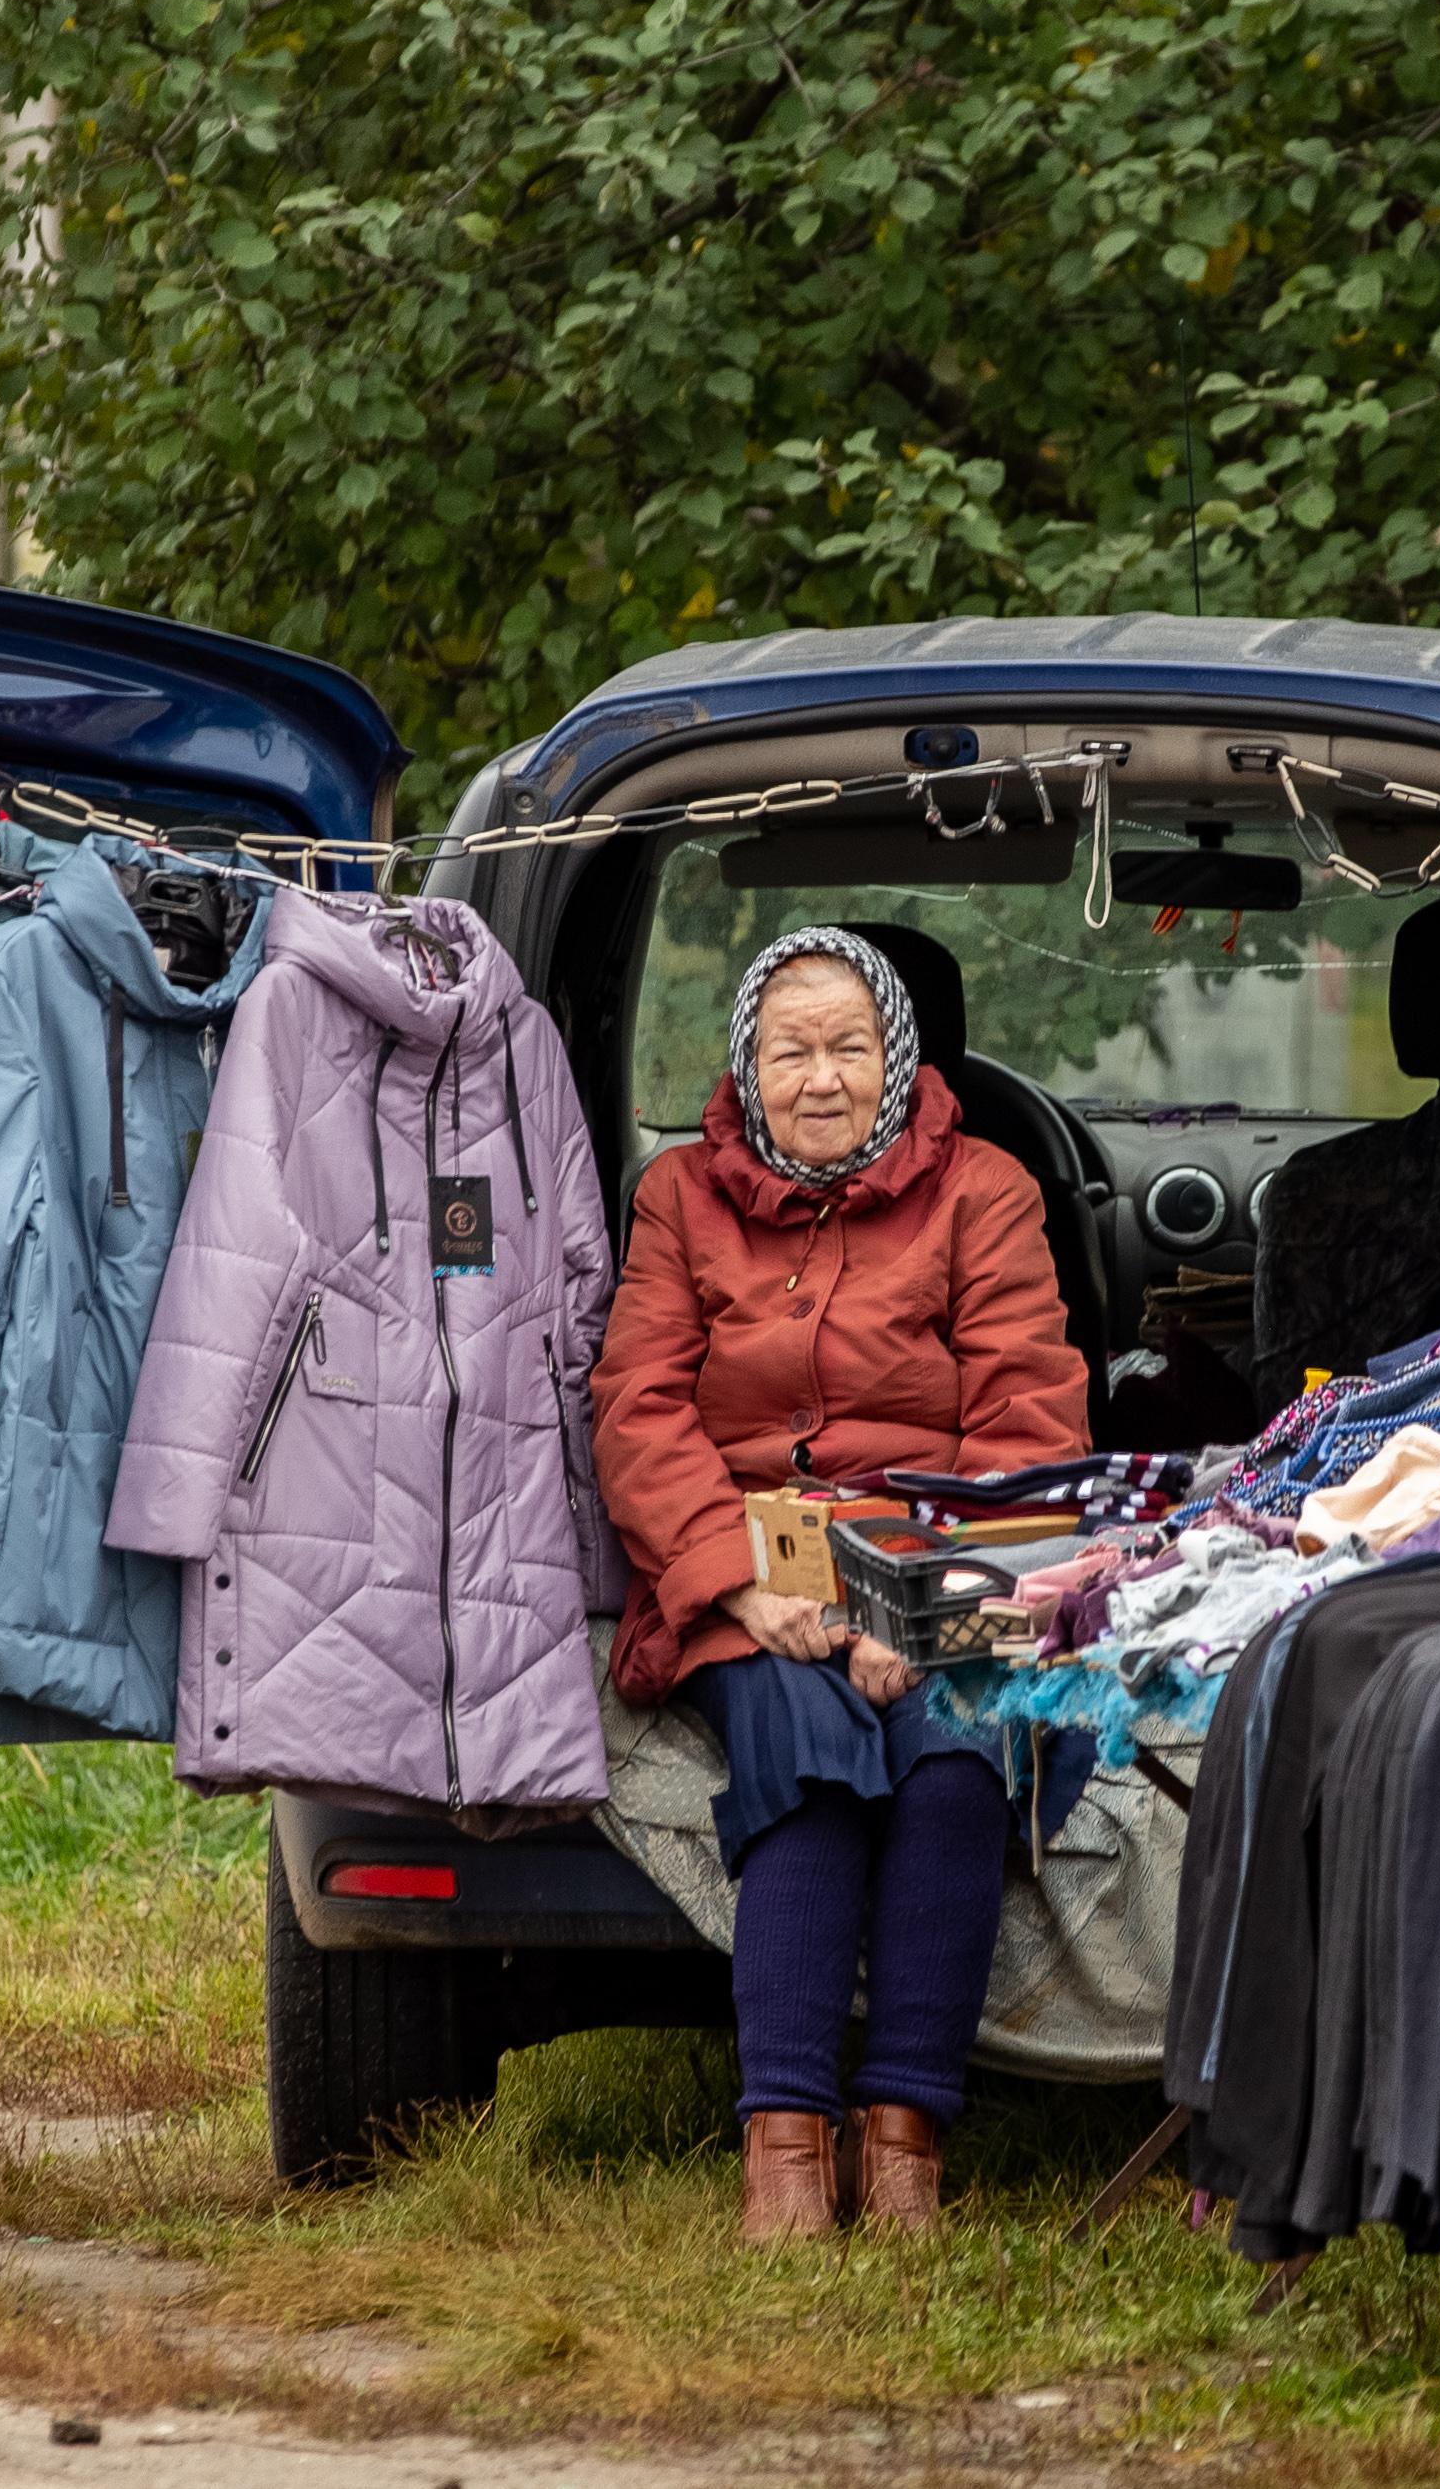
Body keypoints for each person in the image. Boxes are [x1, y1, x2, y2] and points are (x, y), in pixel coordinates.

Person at [589, 926, 1091, 2242]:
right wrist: (737, 1582)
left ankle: (906, 2138)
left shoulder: (985, 1190)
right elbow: (638, 1407)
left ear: (900, 1056)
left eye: (849, 1046)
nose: (820, 1077)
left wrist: (921, 1614)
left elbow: (1030, 1422)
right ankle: (786, 2154)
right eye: (789, 1048)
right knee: (804, 1747)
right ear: (748, 1068)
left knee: (957, 1751)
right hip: (748, 1560)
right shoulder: (681, 1198)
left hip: (943, 1554)